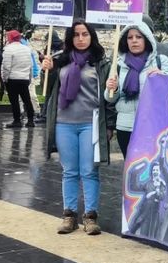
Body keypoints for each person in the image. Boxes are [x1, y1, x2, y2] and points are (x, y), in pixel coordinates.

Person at [41, 21, 114, 235]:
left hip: (91, 123)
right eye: (76, 35)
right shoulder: (59, 61)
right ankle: (69, 216)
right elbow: (48, 90)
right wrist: (48, 70)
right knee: (69, 171)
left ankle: (91, 216)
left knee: (90, 171)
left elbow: (108, 99)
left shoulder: (101, 63)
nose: (80, 38)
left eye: (85, 34)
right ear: (70, 38)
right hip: (64, 123)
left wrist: (109, 125)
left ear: (92, 36)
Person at [105, 21, 168, 157]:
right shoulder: (118, 64)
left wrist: (163, 77)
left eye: (138, 37)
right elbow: (110, 98)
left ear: (147, 39)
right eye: (130, 38)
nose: (134, 41)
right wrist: (110, 89)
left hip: (153, 126)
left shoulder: (161, 61)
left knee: (152, 169)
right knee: (131, 170)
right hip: (125, 127)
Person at [0, 29, 36, 127]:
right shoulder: (27, 49)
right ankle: (31, 120)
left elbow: (6, 66)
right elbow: (30, 65)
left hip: (12, 78)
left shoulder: (8, 49)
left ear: (10, 38)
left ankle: (17, 121)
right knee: (27, 100)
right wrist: (29, 77)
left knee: (14, 101)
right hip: (24, 78)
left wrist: (4, 78)